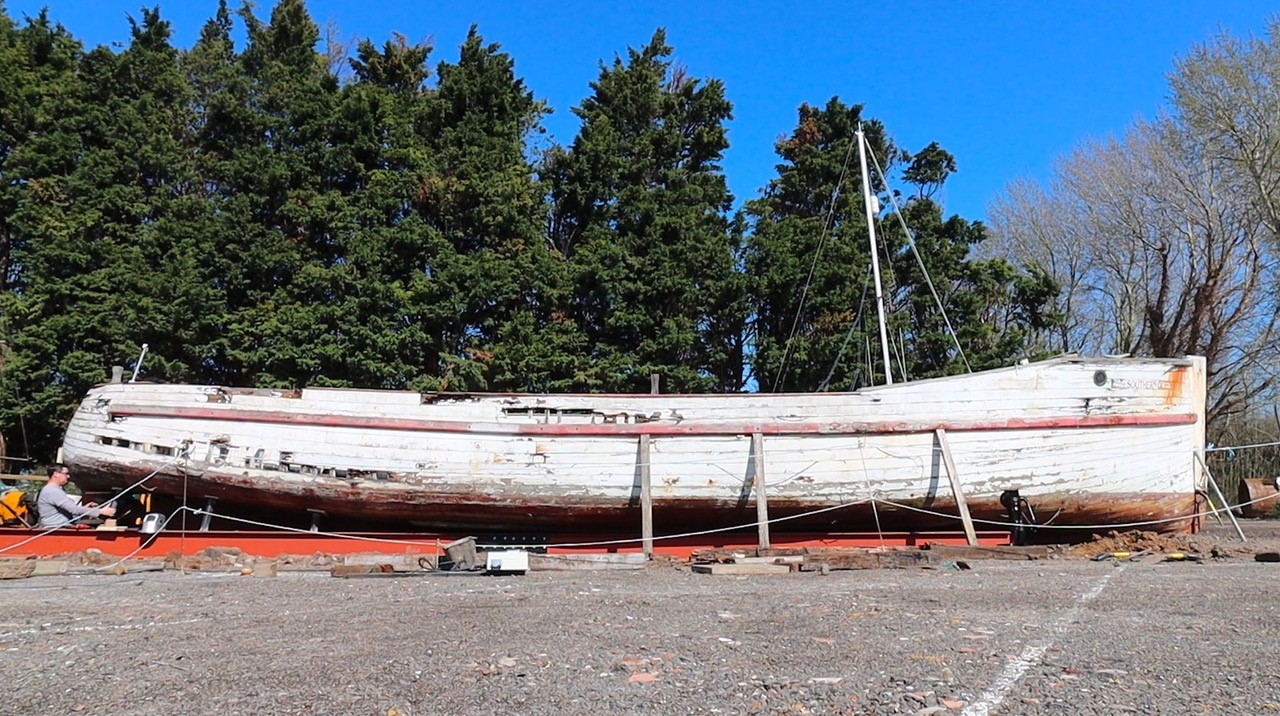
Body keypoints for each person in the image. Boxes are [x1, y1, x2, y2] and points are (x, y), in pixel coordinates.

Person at [37, 465, 115, 529]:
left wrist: (85, 508)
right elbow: (74, 510)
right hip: (56, 528)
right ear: (56, 474)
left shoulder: (53, 490)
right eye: (65, 474)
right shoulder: (52, 491)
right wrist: (100, 511)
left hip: (60, 526)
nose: (68, 476)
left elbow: (68, 511)